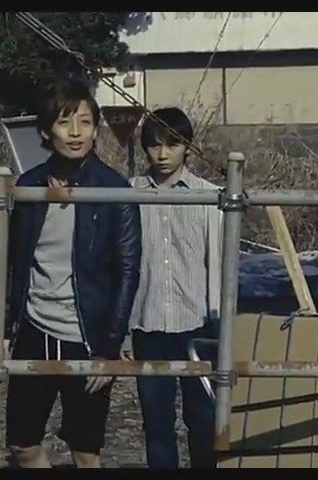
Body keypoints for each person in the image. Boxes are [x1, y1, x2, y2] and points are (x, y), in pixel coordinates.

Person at [3, 76, 142, 468]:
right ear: (46, 131)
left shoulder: (114, 190)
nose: (76, 132)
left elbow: (128, 271)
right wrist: (4, 328)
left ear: (96, 128)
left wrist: (110, 348)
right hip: (34, 328)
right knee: (22, 444)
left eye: (85, 121)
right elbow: (13, 263)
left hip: (88, 334)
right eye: (65, 122)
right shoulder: (29, 186)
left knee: (85, 450)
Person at [121, 107, 221, 468]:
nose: (162, 154)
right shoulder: (129, 193)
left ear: (188, 147)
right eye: (154, 145)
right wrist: (122, 331)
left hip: (198, 325)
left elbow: (218, 266)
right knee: (157, 425)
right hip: (147, 326)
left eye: (172, 145)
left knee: (204, 420)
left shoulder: (210, 197)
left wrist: (221, 328)